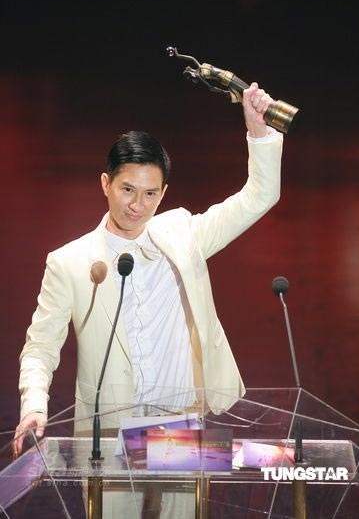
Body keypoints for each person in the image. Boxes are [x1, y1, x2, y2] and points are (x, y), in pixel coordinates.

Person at [13, 82, 283, 515]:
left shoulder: (184, 237)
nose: (138, 205)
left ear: (164, 192)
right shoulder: (69, 261)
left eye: (150, 193)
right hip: (111, 432)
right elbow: (40, 347)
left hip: (182, 424)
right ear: (105, 183)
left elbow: (260, 196)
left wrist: (260, 131)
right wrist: (34, 407)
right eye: (127, 190)